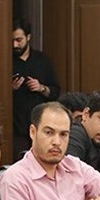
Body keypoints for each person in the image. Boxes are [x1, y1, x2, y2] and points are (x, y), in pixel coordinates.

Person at [11, 18, 60, 161]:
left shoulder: (42, 60)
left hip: (40, 124)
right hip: (16, 127)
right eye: (12, 40)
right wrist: (10, 89)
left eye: (19, 40)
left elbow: (55, 91)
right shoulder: (7, 61)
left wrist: (41, 88)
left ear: (28, 37)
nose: (15, 45)